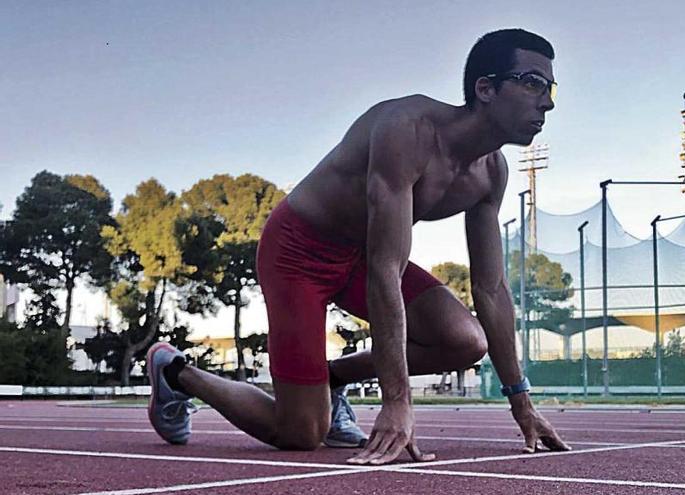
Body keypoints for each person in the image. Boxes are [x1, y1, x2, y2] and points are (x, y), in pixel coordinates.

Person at [146, 28, 570, 466]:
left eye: (550, 87)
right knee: (301, 432)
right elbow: (387, 268)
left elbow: (491, 289)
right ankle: (177, 373)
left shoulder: (491, 174)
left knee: (465, 341)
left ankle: (332, 378)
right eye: (532, 82)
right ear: (485, 88)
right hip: (299, 251)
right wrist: (396, 401)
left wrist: (521, 402)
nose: (548, 102)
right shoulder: (408, 129)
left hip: (359, 256)